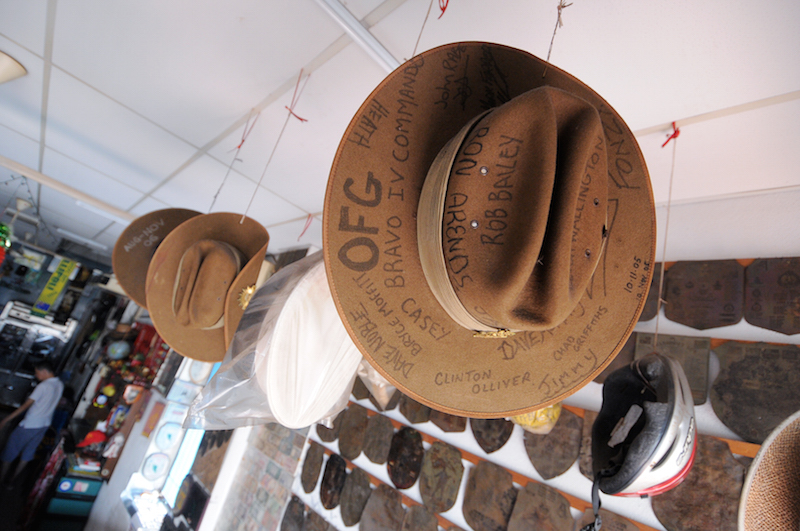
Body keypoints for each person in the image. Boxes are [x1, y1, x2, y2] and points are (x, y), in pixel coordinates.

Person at [0, 360, 64, 486]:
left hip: (30, 424)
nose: (36, 376)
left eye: (37, 373)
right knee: (28, 454)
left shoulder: (43, 386)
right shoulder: (60, 384)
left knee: (9, 452)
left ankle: (1, 479)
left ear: (44, 372)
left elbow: (25, 406)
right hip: (44, 424)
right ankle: (11, 482)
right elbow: (55, 405)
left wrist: (5, 420)